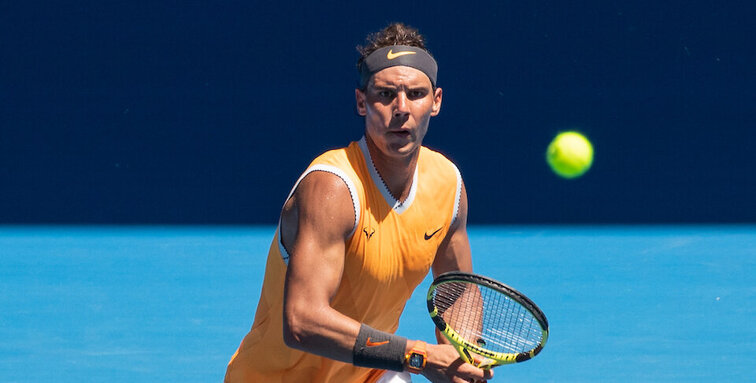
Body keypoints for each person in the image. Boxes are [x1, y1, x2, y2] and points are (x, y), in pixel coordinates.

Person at [225, 23, 493, 383]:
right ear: (361, 103)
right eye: (385, 95)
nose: (401, 108)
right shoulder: (332, 188)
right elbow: (302, 321)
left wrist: (462, 354)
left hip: (372, 375)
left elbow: (457, 291)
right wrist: (421, 356)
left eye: (415, 94)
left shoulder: (447, 183)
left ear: (437, 101)